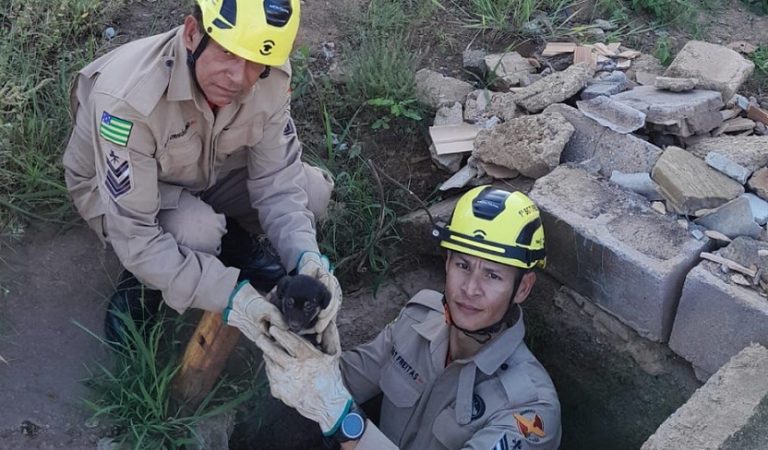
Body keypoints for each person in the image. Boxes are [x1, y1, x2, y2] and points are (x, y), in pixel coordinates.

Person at [62, 0, 340, 343]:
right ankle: (145, 281)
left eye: (255, 62)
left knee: (313, 192)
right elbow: (135, 232)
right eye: (228, 53)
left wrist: (305, 257)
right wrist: (234, 297)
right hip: (125, 192)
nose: (239, 77)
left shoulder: (270, 72)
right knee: (196, 231)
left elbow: (278, 182)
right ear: (192, 33)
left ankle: (230, 241)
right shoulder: (129, 102)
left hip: (206, 168)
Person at [257, 186, 562, 449]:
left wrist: (346, 425)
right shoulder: (417, 320)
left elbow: (337, 406)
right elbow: (342, 380)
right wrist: (303, 343)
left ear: (523, 288)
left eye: (492, 275)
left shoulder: (531, 408)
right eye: (463, 265)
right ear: (447, 264)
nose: (470, 289)